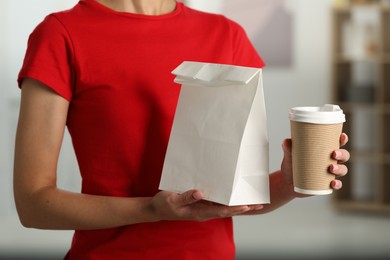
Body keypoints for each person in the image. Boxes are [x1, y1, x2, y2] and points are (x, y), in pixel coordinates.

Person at [13, 0, 350, 259]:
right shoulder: (61, 34)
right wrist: (152, 209)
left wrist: (289, 182)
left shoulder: (225, 35)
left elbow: (235, 194)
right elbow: (33, 204)